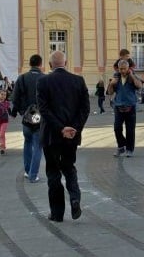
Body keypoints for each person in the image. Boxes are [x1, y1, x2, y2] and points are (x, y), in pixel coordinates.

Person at [37, 51, 90, 222]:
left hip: (52, 135)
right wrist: (74, 128)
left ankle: (57, 213)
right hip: (71, 136)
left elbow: (43, 110)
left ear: (50, 65)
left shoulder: (43, 81)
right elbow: (85, 108)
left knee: (53, 173)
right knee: (69, 167)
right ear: (66, 63)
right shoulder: (78, 80)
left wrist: (61, 128)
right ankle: (74, 198)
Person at [12, 54, 45, 183]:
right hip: (40, 118)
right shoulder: (44, 78)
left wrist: (18, 112)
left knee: (27, 143)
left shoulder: (22, 78)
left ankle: (27, 171)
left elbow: (15, 98)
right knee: (38, 145)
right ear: (40, 64)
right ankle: (33, 174)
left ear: (30, 64)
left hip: (26, 117)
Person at [107, 59, 143, 157]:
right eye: (120, 69)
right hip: (118, 106)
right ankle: (121, 146)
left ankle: (129, 149)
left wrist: (131, 75)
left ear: (128, 68)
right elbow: (110, 92)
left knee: (130, 129)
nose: (122, 71)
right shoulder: (116, 77)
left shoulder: (132, 77)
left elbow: (139, 86)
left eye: (124, 69)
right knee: (117, 128)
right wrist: (111, 84)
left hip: (130, 106)